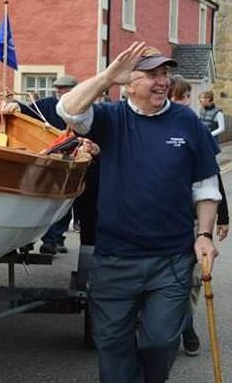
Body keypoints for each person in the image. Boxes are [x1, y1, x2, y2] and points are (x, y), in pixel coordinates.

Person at [56, 42, 221, 383]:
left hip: (171, 258)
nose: (162, 81)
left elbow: (205, 185)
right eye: (151, 74)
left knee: (161, 341)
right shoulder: (109, 119)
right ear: (128, 83)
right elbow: (68, 111)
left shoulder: (187, 121)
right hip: (115, 258)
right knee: (112, 345)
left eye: (165, 74)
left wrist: (204, 234)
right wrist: (105, 78)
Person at [169, 75, 230, 356]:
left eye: (183, 97)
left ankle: (186, 325)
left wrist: (224, 217)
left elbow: (213, 180)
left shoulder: (196, 129)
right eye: (175, 97)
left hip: (194, 221)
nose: (180, 102)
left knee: (192, 278)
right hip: (163, 220)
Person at [4, 75, 78, 254]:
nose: (60, 92)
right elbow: (30, 112)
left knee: (62, 203)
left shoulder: (82, 107)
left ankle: (55, 239)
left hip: (69, 161)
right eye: (58, 89)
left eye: (65, 89)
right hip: (46, 159)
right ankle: (36, 241)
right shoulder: (46, 105)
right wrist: (16, 105)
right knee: (41, 201)